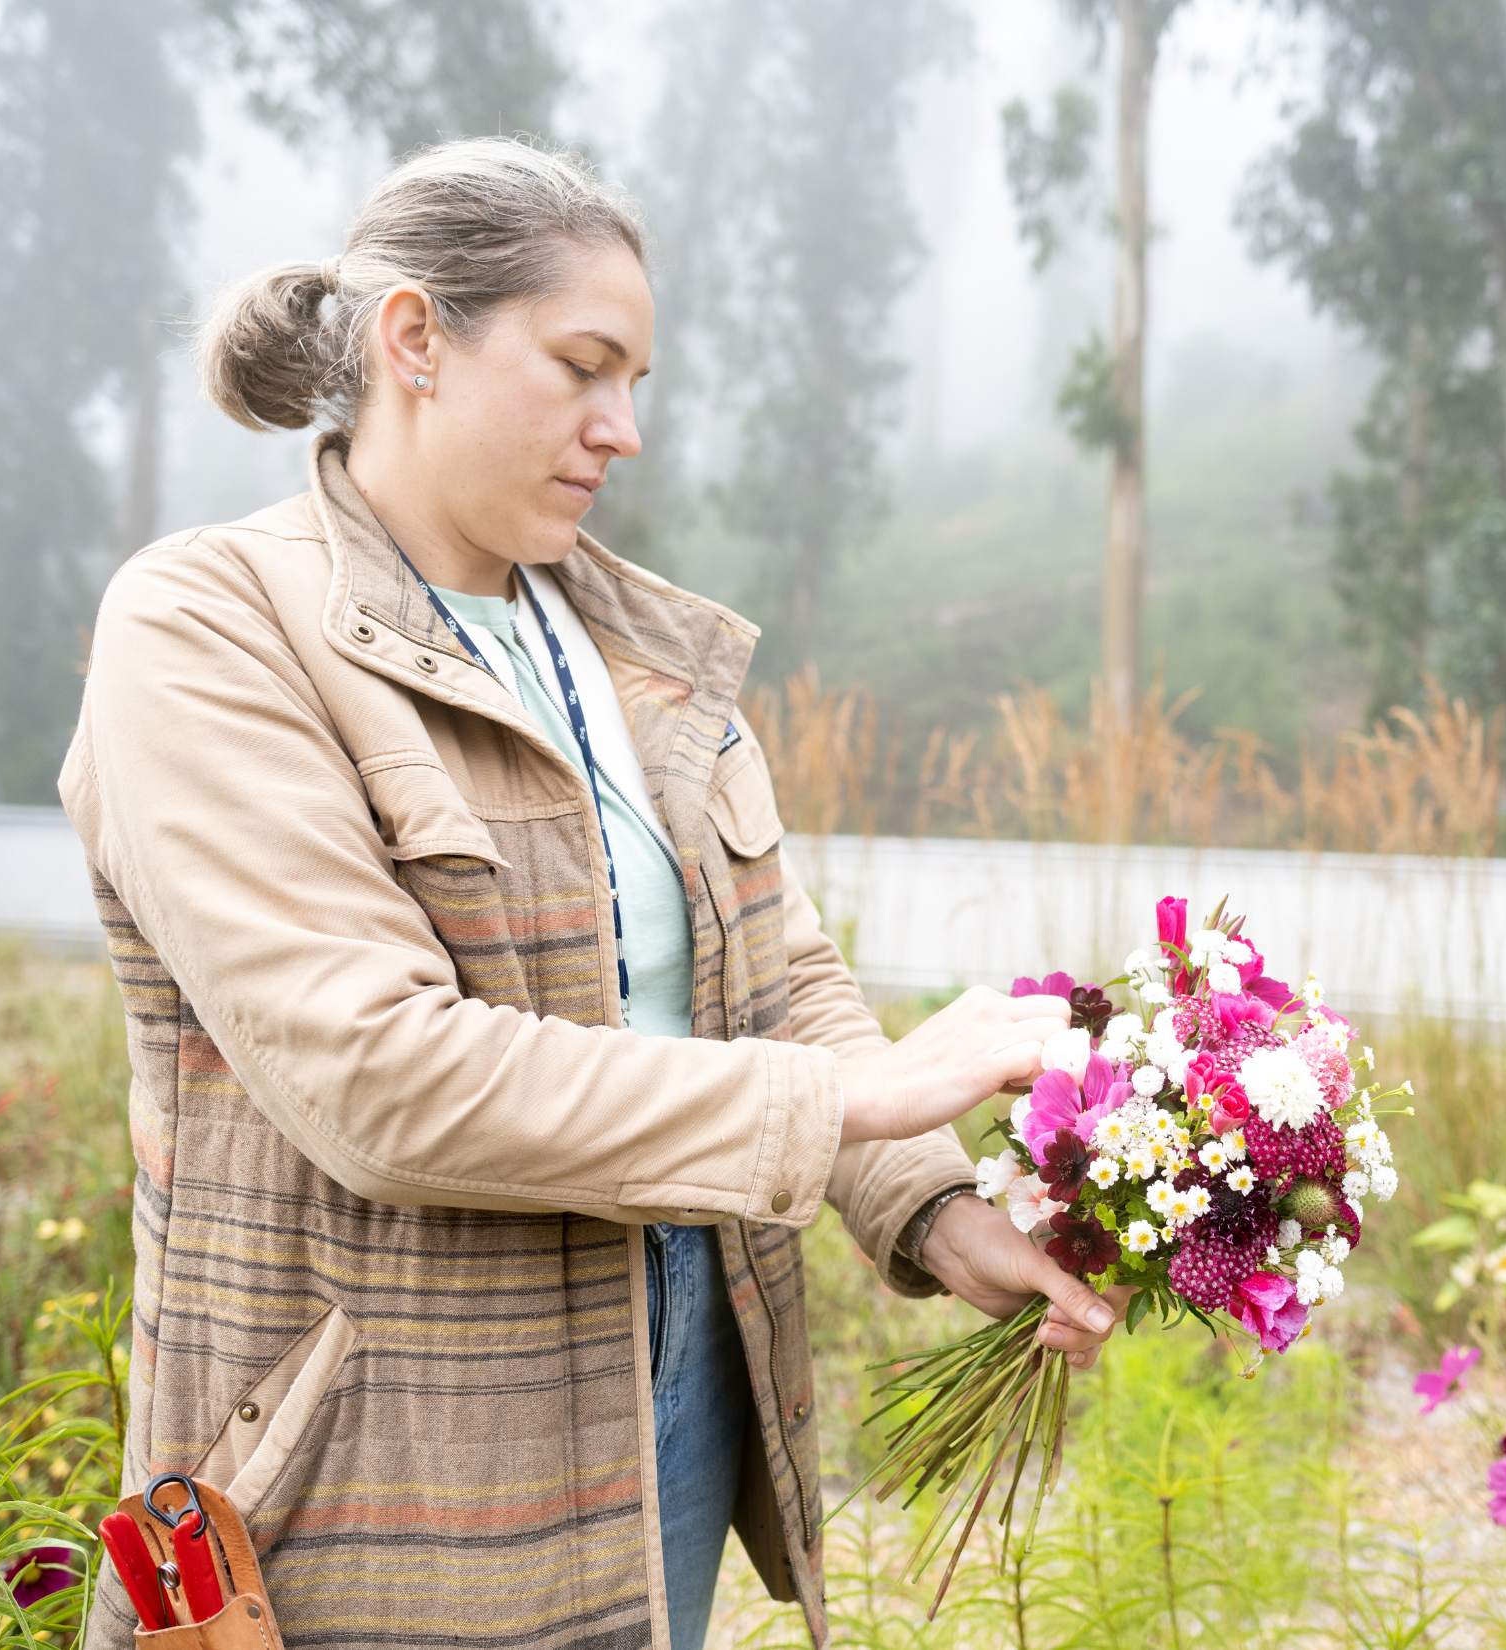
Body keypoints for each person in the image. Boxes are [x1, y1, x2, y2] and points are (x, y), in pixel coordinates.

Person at [57, 134, 1129, 1650]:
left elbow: (779, 982)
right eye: (582, 367)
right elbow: (380, 1077)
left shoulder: (634, 651)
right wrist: (847, 1111)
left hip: (681, 1391)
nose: (622, 429)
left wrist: (936, 1208)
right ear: (415, 338)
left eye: (638, 381)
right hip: (392, 1464)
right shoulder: (211, 626)